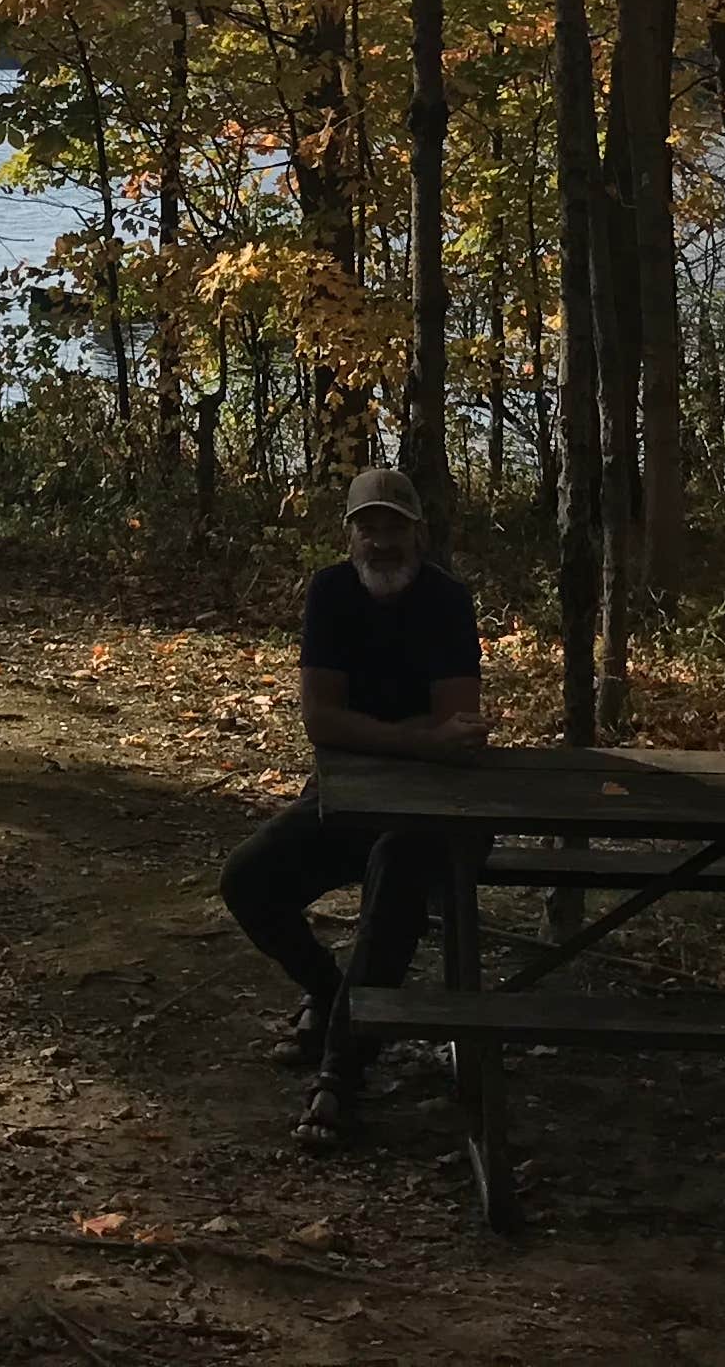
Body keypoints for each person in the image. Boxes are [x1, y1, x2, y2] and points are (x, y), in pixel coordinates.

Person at [219, 465, 487, 1142]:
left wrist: (399, 743)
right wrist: (418, 741)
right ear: (349, 536)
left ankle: (341, 1074)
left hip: (438, 813)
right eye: (367, 526)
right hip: (345, 799)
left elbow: (460, 731)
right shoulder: (332, 593)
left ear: (417, 532)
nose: (380, 540)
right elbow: (322, 722)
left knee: (396, 873)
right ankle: (333, 993)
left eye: (393, 525)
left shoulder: (449, 603)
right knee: (247, 880)